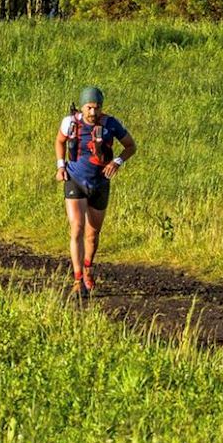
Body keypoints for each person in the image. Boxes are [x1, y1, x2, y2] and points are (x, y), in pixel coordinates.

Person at [56, 86, 136, 297]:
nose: (93, 112)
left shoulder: (111, 124)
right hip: (74, 179)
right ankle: (77, 279)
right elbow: (60, 141)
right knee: (77, 228)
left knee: (92, 234)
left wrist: (117, 162)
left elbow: (130, 146)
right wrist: (60, 166)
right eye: (90, 108)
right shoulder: (70, 122)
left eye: (97, 107)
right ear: (82, 107)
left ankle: (89, 268)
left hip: (100, 183)